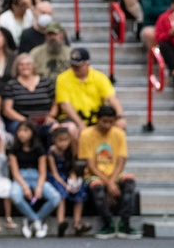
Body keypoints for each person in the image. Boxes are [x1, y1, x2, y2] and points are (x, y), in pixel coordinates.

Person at [78, 106, 139, 238]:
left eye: (111, 122)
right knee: (97, 188)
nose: (107, 125)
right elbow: (91, 165)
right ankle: (108, 224)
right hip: (95, 174)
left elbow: (121, 161)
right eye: (104, 121)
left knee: (129, 183)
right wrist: (109, 184)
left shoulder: (119, 134)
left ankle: (125, 223)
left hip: (115, 174)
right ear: (97, 120)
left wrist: (112, 182)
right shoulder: (86, 134)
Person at [55, 48, 125, 140]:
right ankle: (77, 154)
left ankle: (113, 154)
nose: (75, 68)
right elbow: (65, 105)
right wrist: (80, 123)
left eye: (78, 65)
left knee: (117, 126)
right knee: (72, 129)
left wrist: (120, 116)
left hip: (96, 118)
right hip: (72, 118)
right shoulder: (62, 78)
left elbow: (111, 98)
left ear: (87, 64)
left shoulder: (99, 77)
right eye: (73, 65)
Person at [8, 120, 60, 238]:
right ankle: (36, 220)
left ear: (32, 133)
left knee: (55, 198)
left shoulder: (39, 149)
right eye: (20, 131)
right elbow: (15, 172)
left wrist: (39, 187)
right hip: (21, 178)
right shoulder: (13, 150)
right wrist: (25, 187)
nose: (22, 134)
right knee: (15, 197)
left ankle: (33, 220)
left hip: (37, 177)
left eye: (25, 131)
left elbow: (43, 171)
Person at [47, 126, 90, 237]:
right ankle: (61, 223)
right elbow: (54, 172)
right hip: (56, 177)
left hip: (67, 176)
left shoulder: (71, 150)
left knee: (79, 192)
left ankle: (77, 223)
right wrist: (64, 184)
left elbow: (72, 168)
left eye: (66, 140)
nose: (63, 143)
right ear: (54, 140)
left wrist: (73, 178)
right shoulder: (51, 152)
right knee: (62, 194)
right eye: (60, 140)